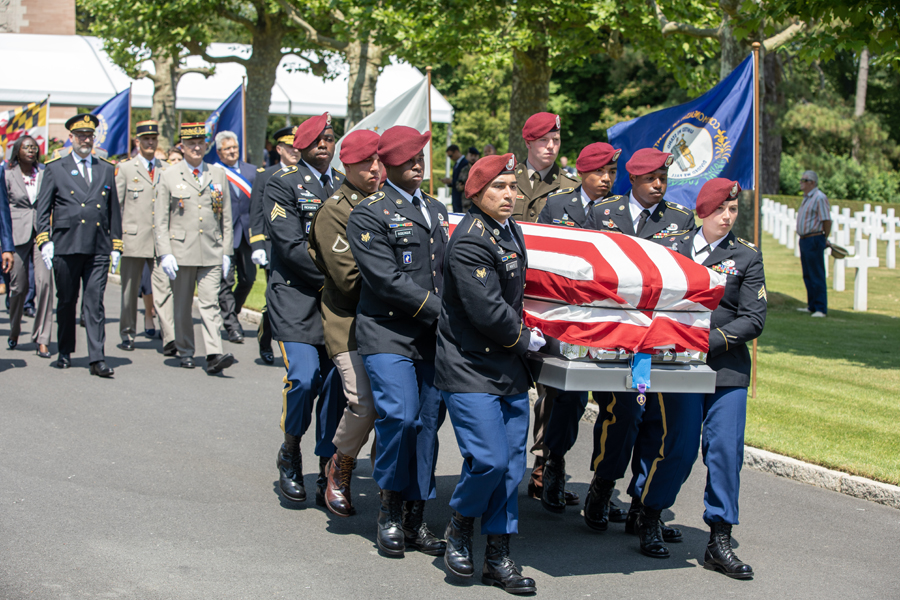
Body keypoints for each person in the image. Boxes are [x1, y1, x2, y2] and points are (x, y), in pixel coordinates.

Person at [583, 148, 700, 559]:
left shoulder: (679, 220)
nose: (659, 186)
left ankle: (642, 505)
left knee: (656, 420)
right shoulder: (604, 212)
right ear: (632, 179)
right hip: (617, 336)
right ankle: (602, 485)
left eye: (663, 179)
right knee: (624, 414)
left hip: (658, 337)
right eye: (651, 179)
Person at [437, 153, 538, 594]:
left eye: (513, 187)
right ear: (475, 193)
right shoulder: (470, 239)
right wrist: (527, 339)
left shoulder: (509, 229)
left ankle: (499, 556)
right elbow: (487, 311)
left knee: (512, 467)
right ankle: (459, 525)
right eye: (500, 187)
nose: (509, 195)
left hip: (507, 367)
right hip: (471, 363)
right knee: (490, 460)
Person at [346, 125, 448, 559]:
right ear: (386, 164)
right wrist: (444, 311)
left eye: (420, 158)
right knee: (400, 418)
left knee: (427, 426)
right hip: (388, 332)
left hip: (432, 340)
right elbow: (385, 280)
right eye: (408, 159)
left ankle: (415, 516)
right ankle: (388, 508)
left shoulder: (439, 209)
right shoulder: (369, 213)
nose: (417, 166)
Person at [662, 178, 766, 579]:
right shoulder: (673, 247)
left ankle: (719, 538)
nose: (728, 217)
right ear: (702, 211)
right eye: (721, 209)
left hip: (726, 369)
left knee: (724, 451)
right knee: (679, 447)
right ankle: (651, 512)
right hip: (678, 366)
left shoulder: (746, 257)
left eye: (734, 210)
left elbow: (753, 318)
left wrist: (707, 343)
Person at [263, 113, 347, 507]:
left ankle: (327, 463)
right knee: (304, 377)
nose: (324, 146)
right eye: (316, 141)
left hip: (334, 303)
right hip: (296, 297)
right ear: (300, 147)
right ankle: (291, 448)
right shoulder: (282, 184)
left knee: (335, 386)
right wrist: (337, 280)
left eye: (329, 139)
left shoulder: (344, 186)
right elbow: (290, 245)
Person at [533, 143, 619, 515]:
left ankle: (604, 482)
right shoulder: (557, 206)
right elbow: (541, 258)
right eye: (601, 173)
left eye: (612, 173)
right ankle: (553, 464)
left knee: (617, 403)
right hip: (566, 318)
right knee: (566, 398)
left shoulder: (618, 211)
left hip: (607, 321)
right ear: (583, 172)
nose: (607, 180)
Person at [307, 129, 381, 518]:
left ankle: (388, 483)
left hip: (392, 323)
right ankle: (341, 465)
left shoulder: (390, 202)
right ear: (345, 166)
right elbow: (349, 280)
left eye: (378, 160)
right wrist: (399, 284)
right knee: (364, 403)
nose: (375, 168)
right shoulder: (335, 211)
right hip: (349, 322)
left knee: (402, 410)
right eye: (365, 163)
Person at [511, 112, 583, 508]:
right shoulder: (507, 181)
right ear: (529, 142)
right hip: (512, 299)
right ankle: (505, 465)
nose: (551, 146)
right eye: (543, 140)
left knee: (556, 389)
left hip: (554, 304)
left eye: (556, 140)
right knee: (507, 388)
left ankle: (546, 463)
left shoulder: (570, 188)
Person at [35, 114, 122, 377]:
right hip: (66, 243)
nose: (86, 140)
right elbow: (43, 208)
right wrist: (44, 240)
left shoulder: (105, 167)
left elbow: (113, 209)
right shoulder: (55, 167)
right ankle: (65, 350)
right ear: (70, 138)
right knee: (66, 300)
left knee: (94, 302)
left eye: (89, 136)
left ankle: (97, 358)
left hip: (97, 245)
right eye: (81, 135)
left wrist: (116, 244)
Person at [154, 122, 235, 374]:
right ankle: (186, 350)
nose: (196, 148)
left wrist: (226, 252)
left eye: (200, 143)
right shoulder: (168, 175)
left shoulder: (217, 174)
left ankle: (214, 353)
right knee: (182, 304)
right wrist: (165, 252)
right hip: (181, 251)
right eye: (191, 144)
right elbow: (160, 219)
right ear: (183, 146)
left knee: (210, 303)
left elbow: (226, 216)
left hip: (211, 249)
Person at [114, 120, 175, 354]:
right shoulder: (126, 169)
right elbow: (118, 206)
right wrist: (116, 241)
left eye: (154, 139)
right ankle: (128, 333)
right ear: (137, 142)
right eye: (146, 139)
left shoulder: (167, 168)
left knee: (164, 289)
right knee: (129, 292)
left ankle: (170, 337)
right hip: (133, 239)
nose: (150, 142)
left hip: (160, 241)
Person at [248, 126, 298, 364]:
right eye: (290, 147)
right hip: (271, 246)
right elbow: (256, 213)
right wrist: (257, 245)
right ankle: (265, 339)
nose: (295, 151)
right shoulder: (265, 176)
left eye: (298, 146)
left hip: (298, 247)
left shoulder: (304, 174)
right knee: (274, 299)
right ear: (279, 149)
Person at [4, 136, 52, 358]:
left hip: (42, 233)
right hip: (16, 234)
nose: (31, 151)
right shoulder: (7, 173)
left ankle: (42, 338)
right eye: (26, 147)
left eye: (34, 147)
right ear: (17, 150)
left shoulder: (45, 172)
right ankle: (14, 329)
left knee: (44, 282)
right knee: (19, 286)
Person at [212, 130, 258, 344]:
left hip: (248, 233)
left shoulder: (251, 171)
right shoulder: (214, 172)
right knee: (226, 281)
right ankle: (231, 324)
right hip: (225, 234)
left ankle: (233, 310)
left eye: (234, 148)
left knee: (249, 278)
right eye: (227, 149)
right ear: (219, 153)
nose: (232, 152)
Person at [796, 170, 830, 317]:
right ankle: (812, 305)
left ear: (812, 182)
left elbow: (826, 220)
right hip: (804, 239)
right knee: (808, 274)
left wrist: (824, 237)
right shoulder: (807, 198)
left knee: (816, 273)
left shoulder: (819, 198)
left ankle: (821, 308)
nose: (801, 182)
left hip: (814, 238)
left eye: (804, 179)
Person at [441, 144, 468, 213]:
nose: (450, 158)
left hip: (462, 199)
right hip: (456, 197)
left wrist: (451, 181)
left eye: (451, 156)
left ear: (456, 151)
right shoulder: (456, 164)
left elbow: (463, 181)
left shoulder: (465, 163)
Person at [454, 147, 480, 212]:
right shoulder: (463, 170)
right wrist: (461, 187)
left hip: (478, 204)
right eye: (471, 155)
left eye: (475, 156)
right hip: (466, 205)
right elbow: (458, 185)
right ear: (467, 156)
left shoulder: (481, 170)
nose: (473, 158)